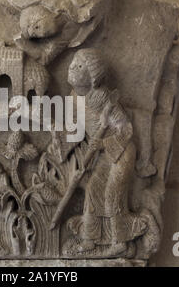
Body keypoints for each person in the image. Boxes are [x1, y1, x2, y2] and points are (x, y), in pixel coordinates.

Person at [66, 49, 146, 254]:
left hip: (121, 151)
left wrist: (102, 144)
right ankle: (90, 239)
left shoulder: (101, 97)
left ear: (93, 75)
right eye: (73, 63)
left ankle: (120, 243)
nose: (73, 67)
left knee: (112, 193)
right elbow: (75, 128)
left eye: (80, 65)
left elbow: (126, 129)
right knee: (93, 189)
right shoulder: (74, 97)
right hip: (101, 153)